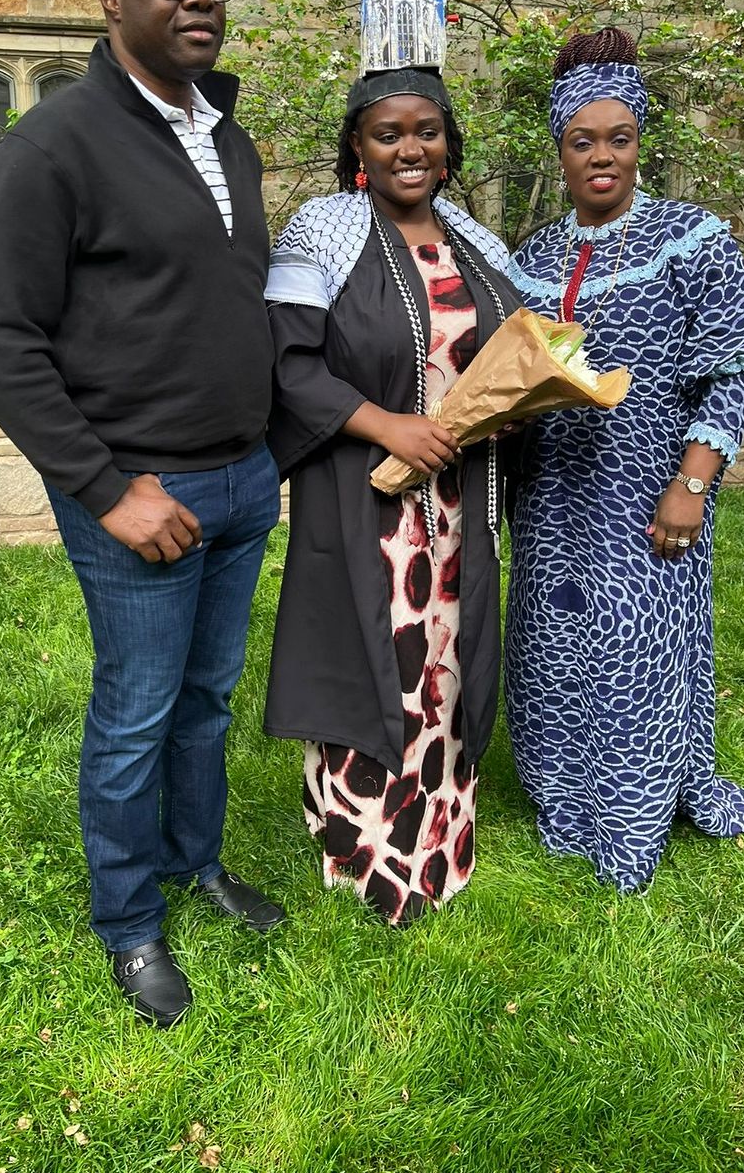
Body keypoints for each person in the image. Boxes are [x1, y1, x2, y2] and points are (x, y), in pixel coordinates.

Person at [0, 0, 284, 1030]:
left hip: (244, 480)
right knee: (138, 711)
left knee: (207, 701)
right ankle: (129, 924)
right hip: (141, 492)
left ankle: (198, 866)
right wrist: (106, 490)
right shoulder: (55, 144)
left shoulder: (226, 137)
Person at [504, 26, 744, 893]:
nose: (603, 157)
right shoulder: (535, 256)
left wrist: (692, 481)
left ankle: (629, 819)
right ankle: (563, 800)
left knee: (636, 652)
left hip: (647, 494)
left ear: (640, 142)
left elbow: (741, 364)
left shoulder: (689, 238)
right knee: (551, 649)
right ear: (559, 151)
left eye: (618, 138)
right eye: (582, 141)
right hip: (552, 499)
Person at [263, 67, 522, 925]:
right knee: (373, 658)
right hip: (362, 501)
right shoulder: (323, 230)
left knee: (447, 665)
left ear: (449, 146)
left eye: (427, 132)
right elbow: (290, 362)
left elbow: (516, 358)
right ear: (358, 150)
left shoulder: (479, 243)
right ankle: (366, 855)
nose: (410, 147)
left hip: (458, 504)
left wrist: (517, 409)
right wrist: (387, 425)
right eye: (387, 134)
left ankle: (441, 841)